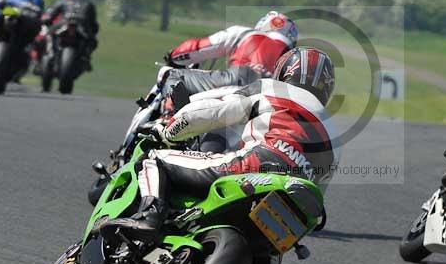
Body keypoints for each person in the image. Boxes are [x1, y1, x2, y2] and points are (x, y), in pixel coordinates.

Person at [101, 47, 339, 241]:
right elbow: (321, 186)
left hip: (256, 165)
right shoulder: (334, 130)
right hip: (298, 198)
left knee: (154, 159)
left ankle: (149, 217)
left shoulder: (271, 87)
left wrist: (168, 133)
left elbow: (214, 112)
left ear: (286, 71)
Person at [160, 11, 298, 101]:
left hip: (232, 85)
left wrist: (173, 56)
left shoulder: (244, 33)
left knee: (168, 75)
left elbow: (198, 47)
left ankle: (170, 116)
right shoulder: (294, 56)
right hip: (264, 100)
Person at [38, 0, 99, 70]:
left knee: (48, 35)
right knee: (92, 41)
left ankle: (50, 54)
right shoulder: (89, 4)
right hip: (81, 26)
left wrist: (46, 22)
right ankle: (86, 58)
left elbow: (50, 16)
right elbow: (93, 23)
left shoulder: (62, 1)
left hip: (64, 23)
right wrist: (93, 31)